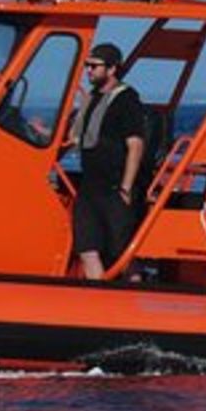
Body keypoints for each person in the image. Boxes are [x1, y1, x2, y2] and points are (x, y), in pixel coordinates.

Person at [65, 42, 147, 280]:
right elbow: (75, 137)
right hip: (91, 185)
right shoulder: (91, 99)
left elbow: (135, 144)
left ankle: (136, 291)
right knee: (87, 248)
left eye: (94, 66)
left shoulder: (126, 99)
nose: (88, 71)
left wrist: (126, 187)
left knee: (121, 251)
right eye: (87, 66)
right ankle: (97, 298)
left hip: (114, 186)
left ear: (111, 69)